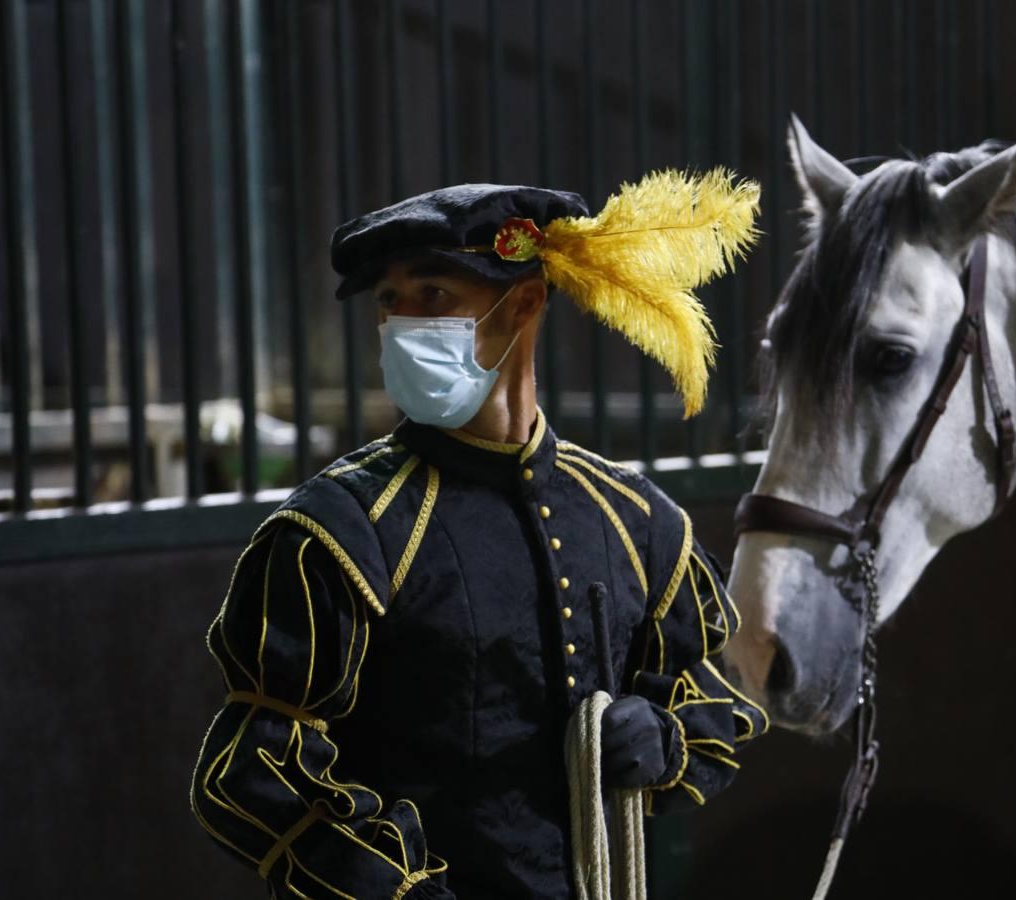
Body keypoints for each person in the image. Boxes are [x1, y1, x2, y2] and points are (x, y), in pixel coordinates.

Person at [190, 172, 768, 899]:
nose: (403, 323)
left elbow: (718, 692)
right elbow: (250, 772)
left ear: (523, 303)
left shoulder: (637, 521)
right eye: (390, 303)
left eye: (434, 296)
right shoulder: (337, 531)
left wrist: (665, 737)